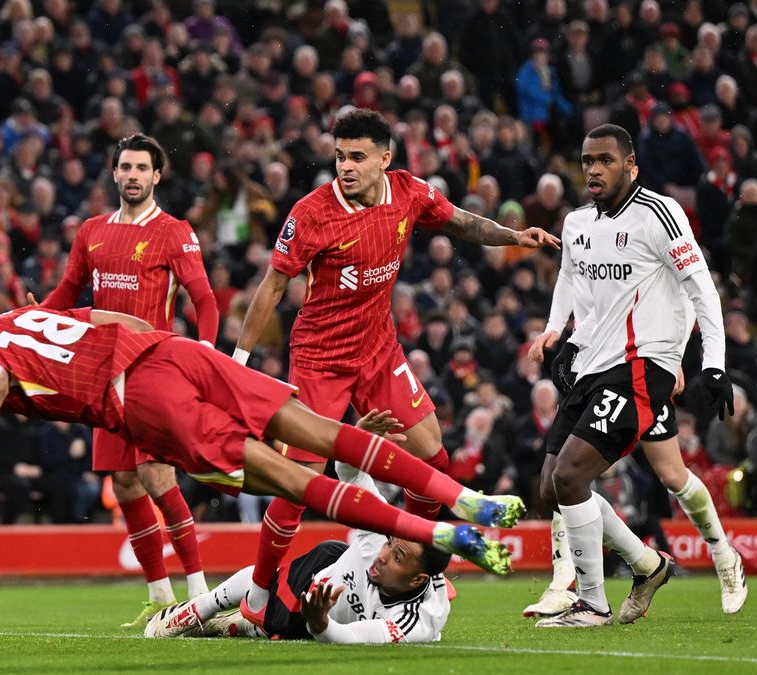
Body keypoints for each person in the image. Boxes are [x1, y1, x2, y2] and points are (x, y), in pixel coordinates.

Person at [0, 306, 526, 585]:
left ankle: (442, 536)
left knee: (288, 480)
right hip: (174, 353)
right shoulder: (4, 323)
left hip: (139, 398)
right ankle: (466, 502)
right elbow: (123, 323)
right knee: (328, 435)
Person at [232, 108, 557, 623]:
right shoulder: (312, 213)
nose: (346, 167)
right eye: (339, 156)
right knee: (298, 481)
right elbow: (273, 285)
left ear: (385, 158)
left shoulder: (408, 191)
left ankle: (421, 562)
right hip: (320, 359)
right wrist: (240, 362)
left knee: (433, 456)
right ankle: (255, 594)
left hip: (379, 349)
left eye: (357, 157)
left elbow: (461, 222)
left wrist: (514, 237)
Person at [530, 125, 734, 628]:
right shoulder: (577, 223)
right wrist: (559, 332)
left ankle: (592, 603)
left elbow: (702, 290)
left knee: (586, 474)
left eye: (604, 160)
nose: (594, 170)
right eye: (586, 161)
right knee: (551, 489)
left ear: (631, 165)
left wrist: (713, 363)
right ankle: (648, 565)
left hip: (645, 365)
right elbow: (570, 278)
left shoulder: (660, 215)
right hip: (593, 363)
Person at [36, 134, 219, 626]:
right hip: (103, 373)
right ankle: (161, 601)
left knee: (158, 476)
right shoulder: (91, 231)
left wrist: (204, 354)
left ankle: (200, 595)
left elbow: (204, 300)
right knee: (124, 483)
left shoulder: (174, 232)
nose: (133, 175)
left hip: (154, 372)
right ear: (114, 174)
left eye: (142, 168)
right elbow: (65, 293)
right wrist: (28, 319)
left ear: (157, 176)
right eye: (126, 168)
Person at [144, 463, 450, 644]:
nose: (384, 555)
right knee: (268, 607)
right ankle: (201, 609)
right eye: (389, 545)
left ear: (417, 580)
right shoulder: (376, 541)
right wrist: (361, 442)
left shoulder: (417, 621)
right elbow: (352, 477)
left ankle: (238, 624)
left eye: (398, 557)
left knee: (277, 626)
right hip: (324, 573)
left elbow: (353, 639)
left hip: (322, 612)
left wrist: (320, 623)